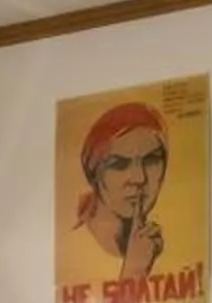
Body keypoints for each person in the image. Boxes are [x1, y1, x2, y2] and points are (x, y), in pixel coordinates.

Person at [72, 101, 169, 281]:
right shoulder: (73, 249)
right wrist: (135, 270)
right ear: (94, 172)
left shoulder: (164, 243)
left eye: (151, 160)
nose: (139, 178)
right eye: (119, 164)